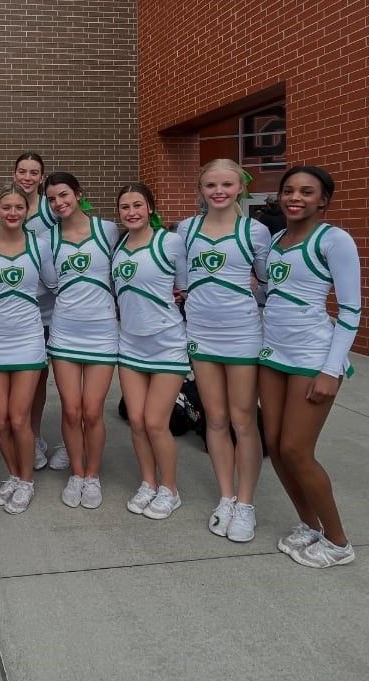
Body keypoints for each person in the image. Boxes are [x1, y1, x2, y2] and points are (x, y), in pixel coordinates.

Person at [258, 166, 360, 568]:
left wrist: (331, 369)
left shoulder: (334, 240)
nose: (295, 198)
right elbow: (275, 293)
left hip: (312, 357)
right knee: (276, 448)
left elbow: (350, 311)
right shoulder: (277, 240)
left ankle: (338, 542)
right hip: (273, 356)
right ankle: (309, 525)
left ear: (323, 200)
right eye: (288, 190)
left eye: (306, 191)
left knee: (296, 450)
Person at [177, 159, 271, 541]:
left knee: (243, 420)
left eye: (227, 184)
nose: (219, 191)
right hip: (201, 333)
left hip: (243, 334)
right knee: (214, 419)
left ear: (240, 187)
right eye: (211, 185)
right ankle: (226, 497)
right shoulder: (187, 229)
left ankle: (246, 504)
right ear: (201, 188)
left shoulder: (256, 231)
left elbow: (267, 282)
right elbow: (183, 282)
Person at [0, 185, 57, 514]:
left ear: (26, 211)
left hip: (28, 339)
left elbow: (52, 284)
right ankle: (13, 475)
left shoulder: (40, 246)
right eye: (6, 207)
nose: (12, 213)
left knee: (20, 419)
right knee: (0, 419)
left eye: (18, 207)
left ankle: (27, 481)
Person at [44, 172, 120, 510]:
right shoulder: (47, 239)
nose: (59, 203)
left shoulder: (107, 230)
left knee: (92, 411)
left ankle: (93, 475)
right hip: (64, 332)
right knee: (71, 409)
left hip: (102, 332)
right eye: (51, 199)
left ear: (78, 193)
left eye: (64, 195)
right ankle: (76, 473)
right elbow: (50, 283)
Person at [112, 183, 188, 520]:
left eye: (137, 205)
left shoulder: (169, 242)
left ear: (150, 208)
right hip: (130, 343)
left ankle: (170, 489)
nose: (131, 212)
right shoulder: (118, 246)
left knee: (156, 422)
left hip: (167, 343)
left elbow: (184, 286)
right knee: (137, 421)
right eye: (125, 207)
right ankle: (148, 482)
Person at [13, 152, 60, 470]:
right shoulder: (8, 206)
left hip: (48, 308)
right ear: (14, 174)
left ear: (42, 177)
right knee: (21, 379)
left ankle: (36, 434)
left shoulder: (50, 208)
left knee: (39, 379)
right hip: (18, 307)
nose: (27, 177)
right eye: (22, 171)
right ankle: (24, 435)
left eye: (34, 172)